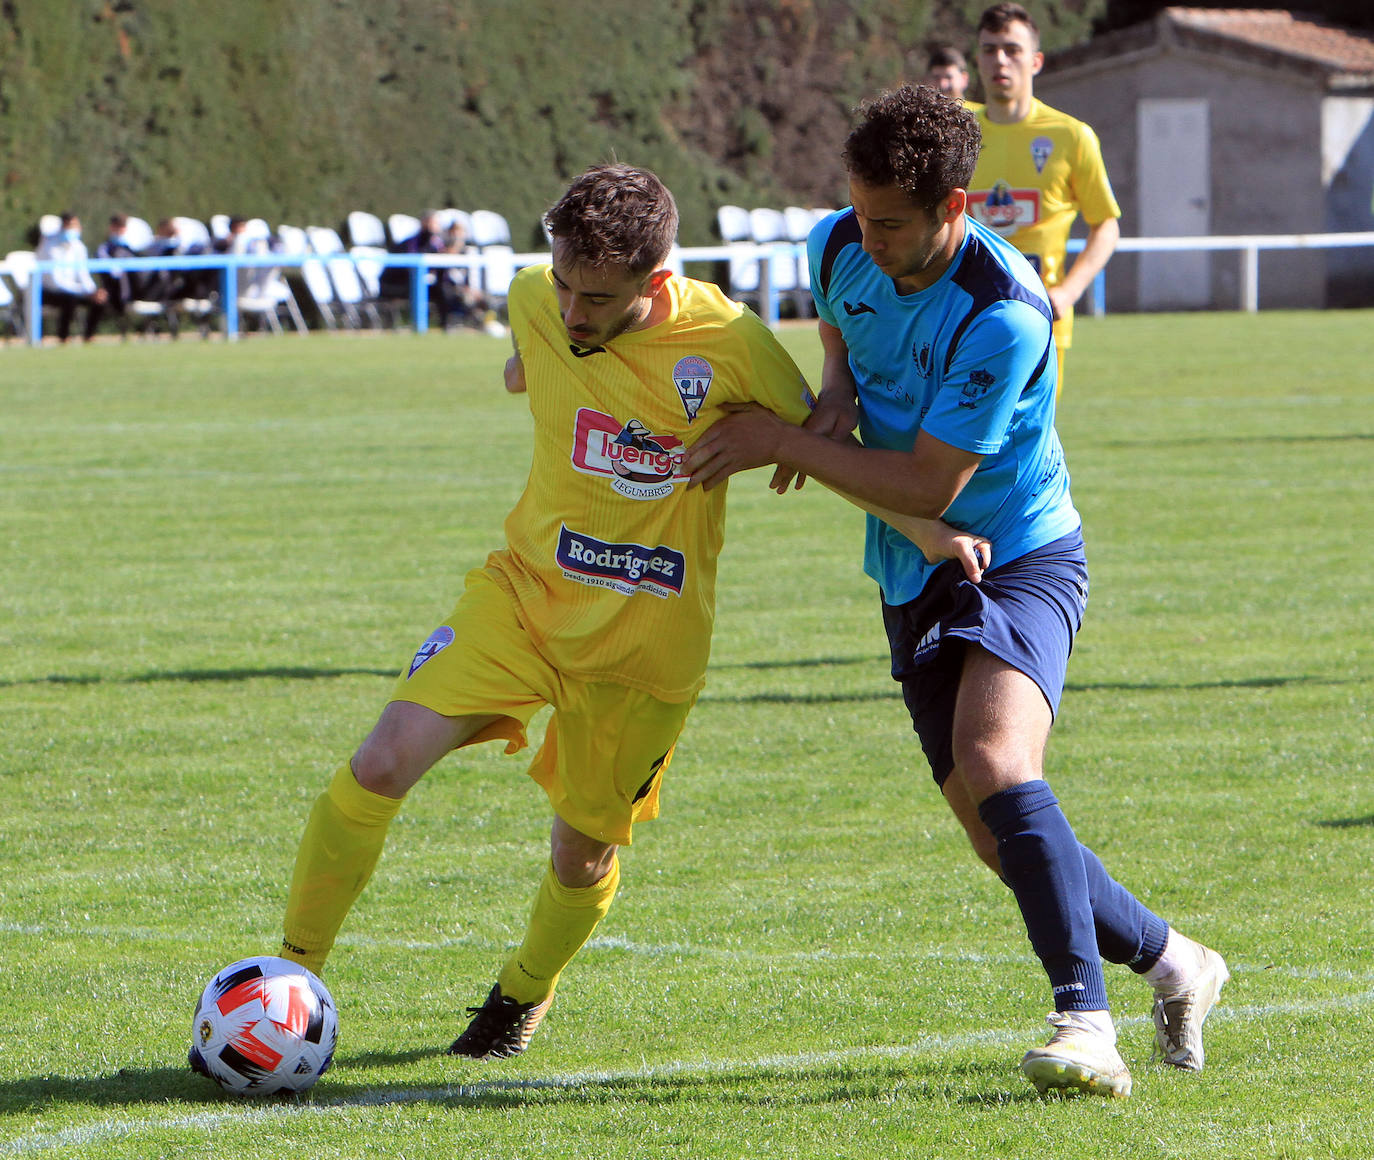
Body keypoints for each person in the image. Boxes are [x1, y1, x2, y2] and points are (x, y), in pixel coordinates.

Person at [275, 162, 985, 1060]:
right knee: (381, 762)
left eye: (596, 297)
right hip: (523, 597)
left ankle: (520, 997)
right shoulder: (537, 299)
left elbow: (819, 445)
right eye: (564, 284)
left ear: (654, 282)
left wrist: (925, 530)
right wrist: (523, 365)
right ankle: (288, 975)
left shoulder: (728, 340)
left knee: (582, 856)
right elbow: (528, 357)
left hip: (644, 646)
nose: (572, 310)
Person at [684, 85, 1227, 1100]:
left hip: (1016, 547)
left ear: (957, 207)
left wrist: (782, 439)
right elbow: (845, 343)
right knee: (993, 832)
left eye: (892, 222)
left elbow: (933, 484)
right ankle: (1173, 960)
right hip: (910, 561)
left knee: (994, 755)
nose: (869, 237)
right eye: (859, 212)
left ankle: (1085, 1021)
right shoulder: (839, 241)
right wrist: (834, 394)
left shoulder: (1004, 313)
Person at [966, 3, 1121, 396]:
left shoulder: (1070, 136)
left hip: (1040, 319)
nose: (999, 60)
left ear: (1035, 61)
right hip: (960, 317)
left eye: (1012, 49)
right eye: (989, 49)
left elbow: (1106, 224)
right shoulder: (958, 134)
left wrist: (1068, 293)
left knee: (1026, 448)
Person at [35, 212, 107, 342]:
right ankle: (63, 338)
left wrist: (92, 291)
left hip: (73, 290)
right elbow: (56, 282)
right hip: (48, 291)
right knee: (69, 299)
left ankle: (88, 336)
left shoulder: (78, 246)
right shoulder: (49, 246)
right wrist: (83, 292)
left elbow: (83, 274)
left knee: (100, 299)